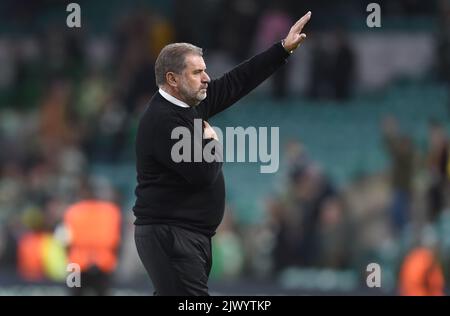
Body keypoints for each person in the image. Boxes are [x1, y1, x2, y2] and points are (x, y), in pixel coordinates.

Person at [133, 11, 312, 296]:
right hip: (171, 236)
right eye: (196, 72)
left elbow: (236, 82)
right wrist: (212, 141)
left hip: (185, 236)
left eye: (204, 70)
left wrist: (282, 50)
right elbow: (203, 173)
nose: (206, 78)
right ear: (173, 79)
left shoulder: (187, 105)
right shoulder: (164, 120)